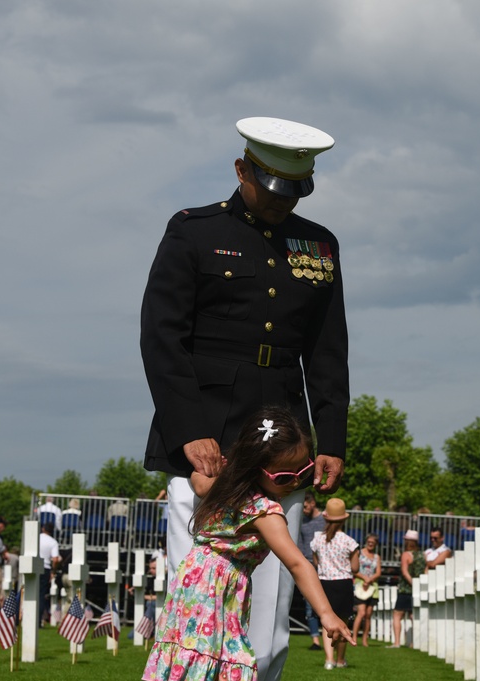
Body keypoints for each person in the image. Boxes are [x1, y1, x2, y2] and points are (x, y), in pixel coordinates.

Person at [141, 116, 348, 681]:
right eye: (272, 185)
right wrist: (188, 430)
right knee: (199, 595)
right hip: (203, 440)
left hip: (281, 446)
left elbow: (327, 353)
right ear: (242, 170)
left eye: (295, 189)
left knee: (271, 611)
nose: (283, 201)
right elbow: (162, 338)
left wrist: (331, 439)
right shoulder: (192, 231)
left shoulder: (319, 246)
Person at [143, 408, 354, 681]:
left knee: (195, 656)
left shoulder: (224, 486)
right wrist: (326, 614)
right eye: (283, 477)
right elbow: (297, 563)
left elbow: (199, 480)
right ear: (256, 467)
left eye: (303, 473)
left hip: (193, 582)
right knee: (217, 656)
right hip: (213, 593)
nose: (293, 483)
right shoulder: (265, 513)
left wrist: (223, 467)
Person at [310, 498, 359, 670]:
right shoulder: (349, 541)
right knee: (343, 623)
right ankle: (340, 660)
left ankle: (328, 660)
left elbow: (316, 563)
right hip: (343, 584)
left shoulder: (317, 540)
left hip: (324, 583)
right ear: (344, 519)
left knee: (327, 623)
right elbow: (355, 567)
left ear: (326, 518)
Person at [296, 491, 325, 650]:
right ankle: (316, 641)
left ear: (313, 502)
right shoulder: (302, 522)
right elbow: (299, 544)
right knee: (310, 604)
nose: (304, 509)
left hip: (325, 566)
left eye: (306, 506)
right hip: (308, 565)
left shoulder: (325, 520)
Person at [391, 529, 427, 648]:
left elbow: (405, 571)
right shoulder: (423, 555)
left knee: (397, 615)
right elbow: (426, 571)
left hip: (406, 589)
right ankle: (415, 642)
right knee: (413, 615)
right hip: (419, 589)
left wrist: (412, 583)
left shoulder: (406, 554)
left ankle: (397, 642)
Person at [352, 533, 382, 647]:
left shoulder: (376, 557)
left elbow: (378, 572)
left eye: (373, 543)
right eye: (369, 542)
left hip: (372, 586)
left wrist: (370, 580)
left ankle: (365, 639)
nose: (370, 544)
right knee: (361, 612)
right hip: (360, 584)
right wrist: (364, 578)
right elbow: (354, 569)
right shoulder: (359, 553)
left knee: (368, 614)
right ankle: (354, 636)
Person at [38, 522, 60, 625]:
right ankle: (38, 620)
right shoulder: (53, 542)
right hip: (45, 567)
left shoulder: (36, 538)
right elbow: (55, 559)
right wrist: (53, 571)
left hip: (34, 566)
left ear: (43, 528)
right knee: (41, 595)